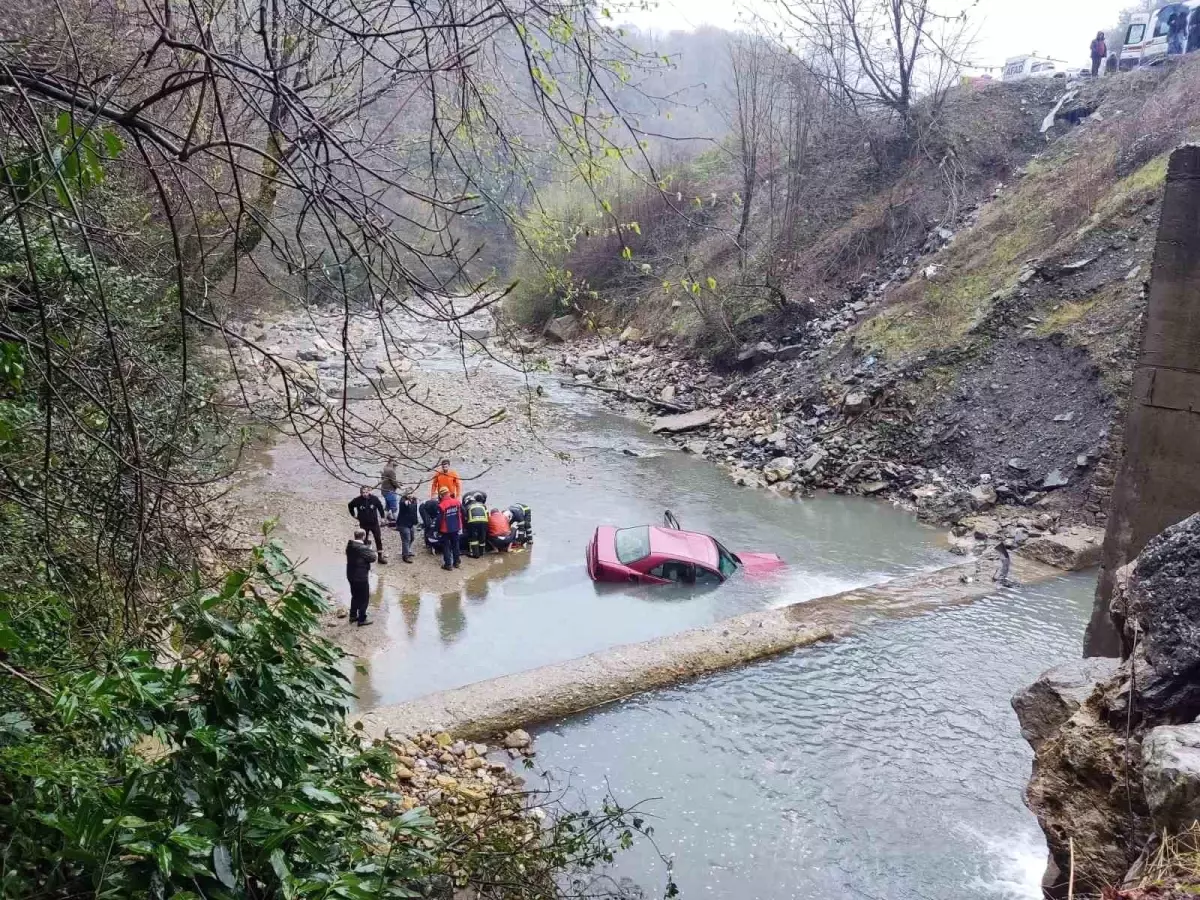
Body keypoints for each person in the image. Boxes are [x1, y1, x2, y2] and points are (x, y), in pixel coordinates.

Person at [348, 486, 388, 564]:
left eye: (366, 492)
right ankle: (365, 557)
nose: (365, 494)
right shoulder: (357, 500)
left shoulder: (374, 499)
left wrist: (382, 517)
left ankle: (380, 557)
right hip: (364, 524)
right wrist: (353, 515)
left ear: (369, 492)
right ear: (361, 493)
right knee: (364, 540)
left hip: (374, 523)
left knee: (378, 539)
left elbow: (380, 507)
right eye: (363, 493)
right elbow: (350, 505)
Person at [345, 529, 376, 626]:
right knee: (364, 598)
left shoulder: (349, 546)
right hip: (361, 576)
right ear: (363, 536)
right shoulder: (362, 548)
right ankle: (362, 619)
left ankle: (353, 615)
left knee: (355, 595)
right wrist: (369, 548)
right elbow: (373, 558)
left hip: (350, 574)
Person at [436, 486, 463, 570]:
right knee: (456, 545)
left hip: (445, 530)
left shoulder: (441, 505)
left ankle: (448, 565)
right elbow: (463, 512)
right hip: (456, 527)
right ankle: (457, 562)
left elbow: (439, 520)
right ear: (448, 493)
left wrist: (437, 530)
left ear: (440, 495)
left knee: (446, 546)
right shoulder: (457, 502)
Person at [464, 494, 489, 558]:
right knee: (482, 536)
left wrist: (465, 527)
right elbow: (487, 514)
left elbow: (465, 518)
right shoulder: (483, 505)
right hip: (484, 521)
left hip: (473, 522)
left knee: (473, 538)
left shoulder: (468, 506)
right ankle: (482, 552)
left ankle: (474, 554)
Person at [396, 492, 419, 563]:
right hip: (403, 524)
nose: (410, 495)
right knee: (406, 539)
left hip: (410, 524)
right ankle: (405, 556)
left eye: (411, 493)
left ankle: (407, 551)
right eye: (409, 494)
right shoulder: (402, 501)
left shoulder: (413, 500)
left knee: (412, 538)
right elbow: (403, 503)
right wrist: (406, 502)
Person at [380, 458, 400, 523]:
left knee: (387, 507)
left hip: (384, 491)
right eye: (395, 466)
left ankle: (383, 521)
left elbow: (386, 479)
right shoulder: (391, 470)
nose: (396, 468)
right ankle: (399, 524)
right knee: (394, 508)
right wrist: (400, 487)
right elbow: (394, 482)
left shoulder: (385, 467)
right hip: (390, 492)